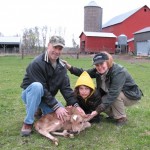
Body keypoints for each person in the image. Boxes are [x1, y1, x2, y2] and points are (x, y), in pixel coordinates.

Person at [20, 35, 83, 136]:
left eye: (60, 48)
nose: (57, 51)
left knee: (62, 116)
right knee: (37, 86)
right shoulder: (36, 63)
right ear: (48, 45)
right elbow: (43, 89)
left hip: (47, 98)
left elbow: (66, 89)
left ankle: (38, 109)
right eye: (55, 47)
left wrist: (76, 105)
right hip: (30, 95)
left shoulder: (62, 67)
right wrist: (56, 106)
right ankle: (28, 122)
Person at [63, 51, 143, 126]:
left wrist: (97, 111)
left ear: (107, 62)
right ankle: (113, 115)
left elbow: (113, 94)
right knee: (101, 100)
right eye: (97, 65)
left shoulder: (118, 72)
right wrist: (69, 67)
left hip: (130, 95)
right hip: (116, 93)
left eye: (102, 64)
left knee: (113, 97)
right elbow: (84, 73)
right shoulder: (98, 71)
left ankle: (121, 118)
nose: (100, 67)